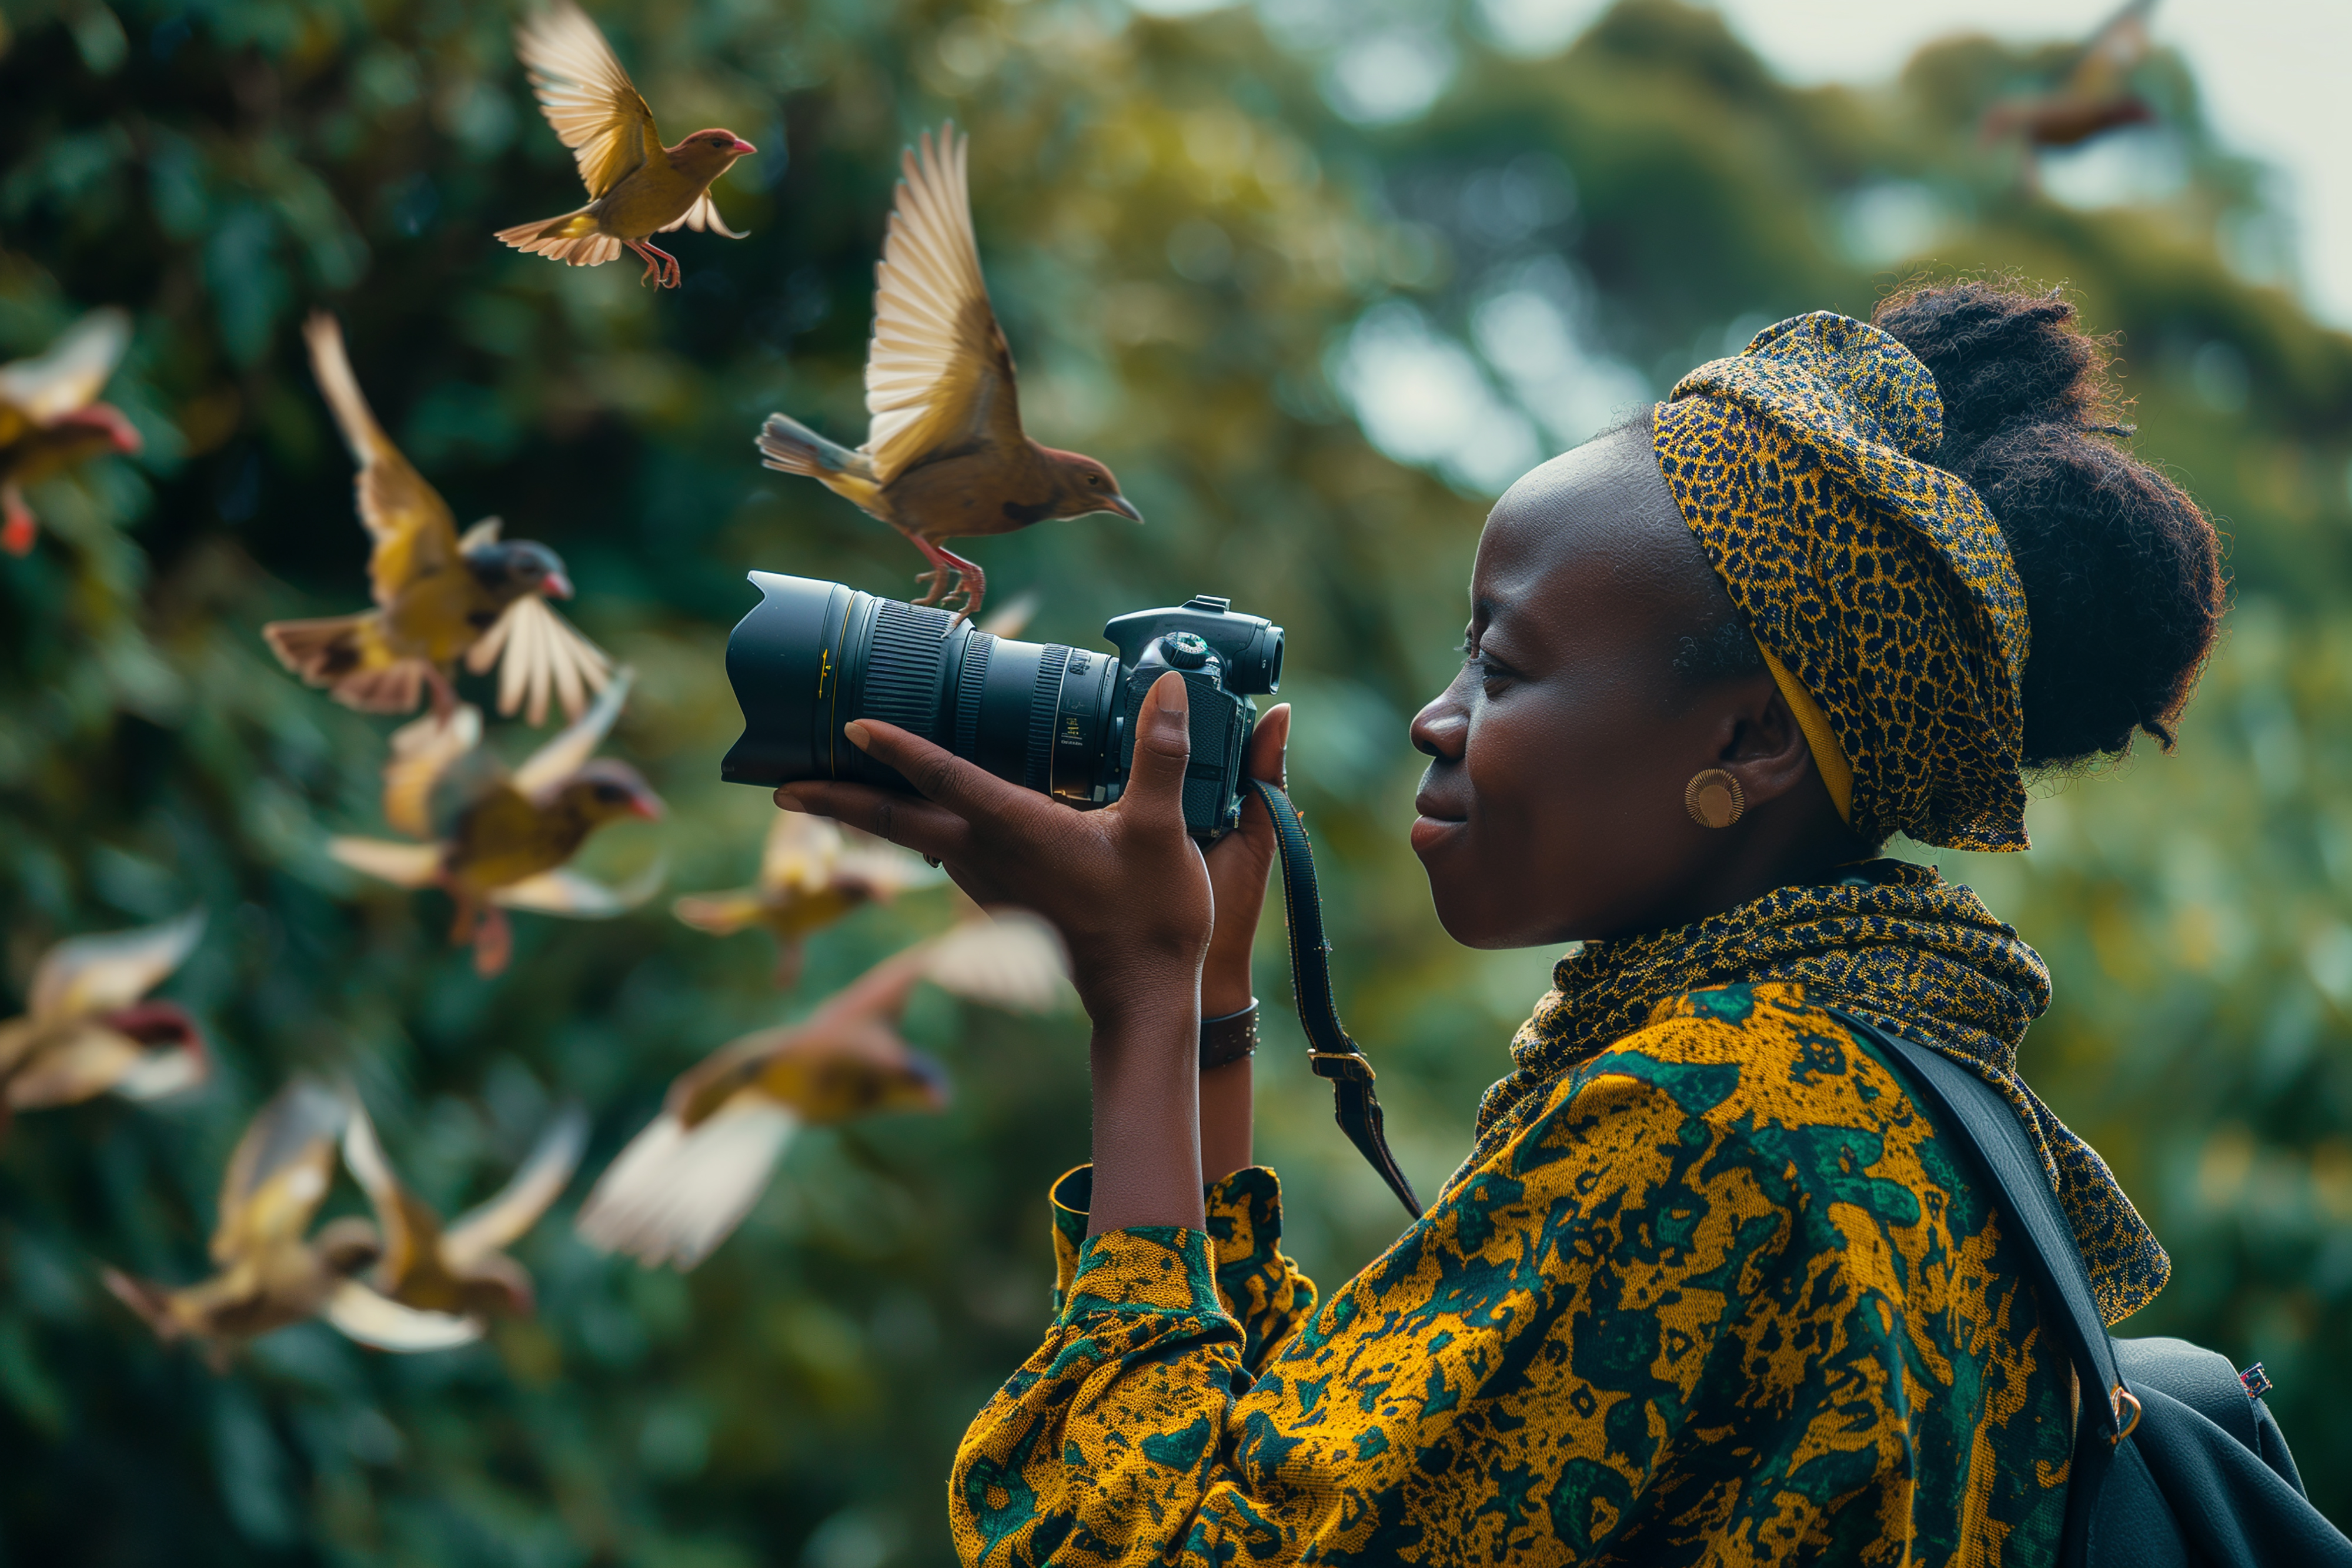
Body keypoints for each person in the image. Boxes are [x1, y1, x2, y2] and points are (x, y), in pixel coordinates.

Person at [774, 280, 2226, 1564]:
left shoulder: (1708, 1119)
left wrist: (1134, 996)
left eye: (1506, 665)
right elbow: (1326, 1476)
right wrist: (1208, 1001)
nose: (1433, 717)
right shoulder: (1871, 1079)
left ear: (1749, 742)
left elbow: (1129, 1542)